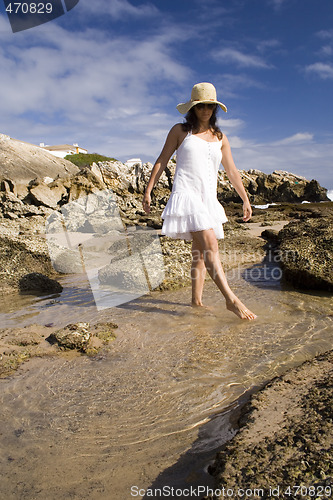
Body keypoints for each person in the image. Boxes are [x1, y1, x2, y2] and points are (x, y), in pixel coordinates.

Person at [142, 82, 256, 321]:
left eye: (210, 106)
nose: (205, 110)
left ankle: (196, 302)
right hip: (187, 195)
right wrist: (148, 190)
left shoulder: (220, 137)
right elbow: (162, 160)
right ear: (193, 108)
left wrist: (245, 199)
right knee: (211, 246)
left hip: (208, 200)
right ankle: (231, 299)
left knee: (200, 255)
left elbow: (232, 171)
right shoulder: (180, 131)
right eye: (201, 105)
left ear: (215, 109)